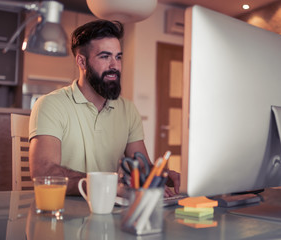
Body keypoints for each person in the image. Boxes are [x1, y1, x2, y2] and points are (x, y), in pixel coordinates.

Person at [28, 20, 180, 197]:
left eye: (118, 57)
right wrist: (107, 185)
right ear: (82, 62)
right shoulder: (50, 105)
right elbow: (44, 173)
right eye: (105, 56)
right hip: (64, 213)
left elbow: (141, 167)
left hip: (111, 212)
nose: (114, 65)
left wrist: (158, 175)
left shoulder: (128, 110)